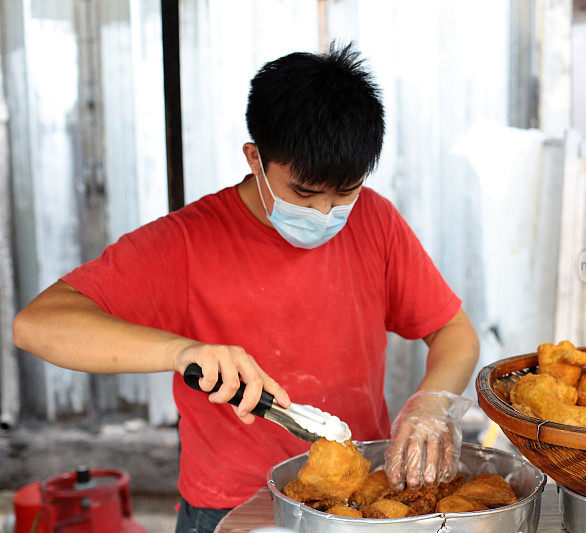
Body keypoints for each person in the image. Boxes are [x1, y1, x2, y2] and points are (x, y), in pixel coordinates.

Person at [12, 44, 479, 533]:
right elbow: (36, 325)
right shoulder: (187, 242)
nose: (325, 212)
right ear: (255, 158)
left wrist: (432, 403)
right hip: (229, 508)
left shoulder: (376, 221)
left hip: (357, 500)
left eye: (345, 191)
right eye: (304, 192)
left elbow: (455, 333)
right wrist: (181, 351)